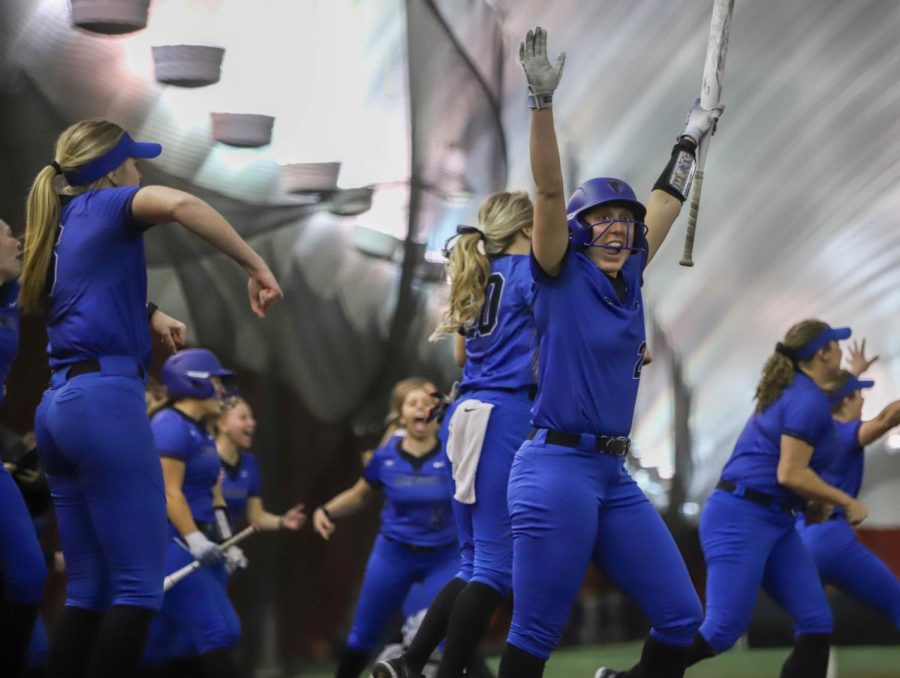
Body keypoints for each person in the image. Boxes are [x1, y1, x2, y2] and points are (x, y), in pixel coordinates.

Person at [22, 119, 282, 677]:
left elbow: (81, 295)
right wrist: (254, 264)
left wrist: (148, 313)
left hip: (59, 406)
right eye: (134, 163)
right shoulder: (111, 203)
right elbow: (184, 205)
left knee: (88, 591)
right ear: (113, 171)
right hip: (105, 404)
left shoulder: (58, 222)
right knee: (140, 586)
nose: (140, 171)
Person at [505, 27, 721, 678]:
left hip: (610, 474)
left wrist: (693, 132)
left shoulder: (629, 273)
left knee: (682, 618)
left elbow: (665, 198)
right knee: (536, 631)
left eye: (624, 218)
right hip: (554, 470)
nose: (621, 223)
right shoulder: (557, 270)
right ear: (578, 229)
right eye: (605, 216)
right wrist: (541, 105)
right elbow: (546, 193)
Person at [375, 191, 536, 678]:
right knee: (493, 570)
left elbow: (462, 358)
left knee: (472, 564)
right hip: (502, 414)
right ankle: (437, 672)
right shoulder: (533, 276)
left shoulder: (476, 275)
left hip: (464, 411)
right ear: (529, 229)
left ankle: (410, 660)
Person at [679, 321, 868, 678]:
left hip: (775, 519)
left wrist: (811, 502)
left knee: (815, 620)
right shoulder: (804, 399)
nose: (841, 351)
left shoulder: (801, 391)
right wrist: (846, 501)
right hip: (741, 516)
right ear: (822, 353)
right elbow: (790, 473)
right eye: (837, 345)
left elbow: (784, 472)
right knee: (722, 630)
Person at [313, 378, 459, 678]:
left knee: (447, 637)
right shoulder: (386, 456)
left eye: (427, 402)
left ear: (438, 412)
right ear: (400, 415)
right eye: (412, 403)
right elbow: (359, 494)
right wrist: (326, 510)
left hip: (444, 557)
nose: (421, 407)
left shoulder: (454, 453)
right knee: (362, 635)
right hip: (394, 554)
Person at [142, 348, 248, 678]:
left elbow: (212, 490)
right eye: (216, 381)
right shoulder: (170, 426)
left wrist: (225, 539)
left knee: (172, 642)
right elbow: (169, 493)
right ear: (195, 383)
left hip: (199, 540)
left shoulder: (200, 430)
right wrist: (194, 538)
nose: (222, 390)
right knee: (217, 631)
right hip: (173, 541)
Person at [795, 342, 900, 630]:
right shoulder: (847, 434)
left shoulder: (812, 433)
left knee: (812, 626)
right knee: (897, 603)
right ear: (847, 400)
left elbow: (830, 395)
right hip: (831, 539)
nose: (863, 401)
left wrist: (853, 374)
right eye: (859, 395)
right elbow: (888, 418)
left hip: (799, 537)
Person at [0, 217, 48, 678]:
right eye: (5, 233)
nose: (16, 239)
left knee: (28, 575)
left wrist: (150, 309)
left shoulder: (10, 296)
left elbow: (61, 268)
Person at [216, 395, 306, 532]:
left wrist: (282, 521)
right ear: (222, 424)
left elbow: (256, 516)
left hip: (225, 545)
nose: (252, 423)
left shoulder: (249, 463)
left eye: (251, 417)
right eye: (243, 417)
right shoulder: (204, 460)